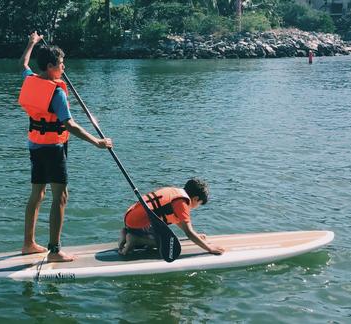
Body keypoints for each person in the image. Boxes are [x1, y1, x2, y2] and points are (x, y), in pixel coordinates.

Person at [18, 31, 113, 262]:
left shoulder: (30, 78)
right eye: (61, 64)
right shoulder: (56, 92)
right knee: (60, 196)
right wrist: (97, 142)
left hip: (35, 145)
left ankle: (28, 243)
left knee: (37, 194)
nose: (64, 68)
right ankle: (54, 250)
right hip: (53, 148)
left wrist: (31, 43)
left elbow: (23, 63)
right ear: (50, 66)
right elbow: (69, 125)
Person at [118, 178, 225, 256]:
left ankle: (127, 232)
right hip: (138, 224)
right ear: (196, 198)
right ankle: (135, 239)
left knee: (164, 236)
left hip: (131, 219)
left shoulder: (174, 192)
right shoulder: (182, 203)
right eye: (199, 204)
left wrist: (196, 235)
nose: (196, 207)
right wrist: (209, 248)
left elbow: (179, 221)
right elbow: (188, 232)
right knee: (166, 244)